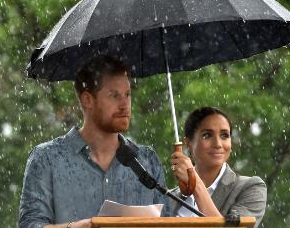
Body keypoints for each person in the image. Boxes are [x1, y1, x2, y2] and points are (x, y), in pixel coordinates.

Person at [19, 56, 170, 228]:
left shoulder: (147, 160)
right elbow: (30, 225)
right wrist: (78, 227)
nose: (124, 104)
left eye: (127, 94)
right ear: (87, 100)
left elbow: (167, 222)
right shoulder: (46, 158)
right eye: (114, 95)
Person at [170, 107, 267, 227]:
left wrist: (195, 183)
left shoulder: (251, 188)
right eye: (207, 135)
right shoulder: (168, 198)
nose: (217, 144)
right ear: (188, 143)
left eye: (224, 135)